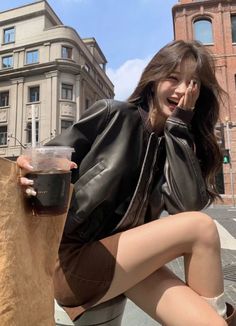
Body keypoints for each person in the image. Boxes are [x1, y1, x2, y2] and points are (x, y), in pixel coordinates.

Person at [18, 40, 235, 325]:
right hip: (74, 261)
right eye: (173, 78)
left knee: (210, 322)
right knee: (202, 227)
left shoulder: (178, 142)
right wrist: (26, 167)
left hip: (125, 259)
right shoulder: (112, 115)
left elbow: (187, 207)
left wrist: (179, 129)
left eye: (192, 84)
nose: (182, 91)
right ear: (154, 79)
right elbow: (47, 159)